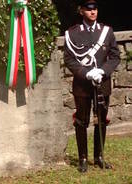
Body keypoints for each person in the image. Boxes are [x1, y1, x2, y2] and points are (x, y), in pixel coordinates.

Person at [64, 0, 120, 172]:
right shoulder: (72, 33)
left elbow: (115, 56)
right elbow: (69, 59)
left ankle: (99, 157)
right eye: (88, 9)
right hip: (82, 84)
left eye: (95, 9)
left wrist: (103, 71)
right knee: (81, 121)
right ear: (81, 11)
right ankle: (83, 158)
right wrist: (85, 73)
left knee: (101, 120)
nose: (93, 12)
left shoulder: (106, 31)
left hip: (102, 83)